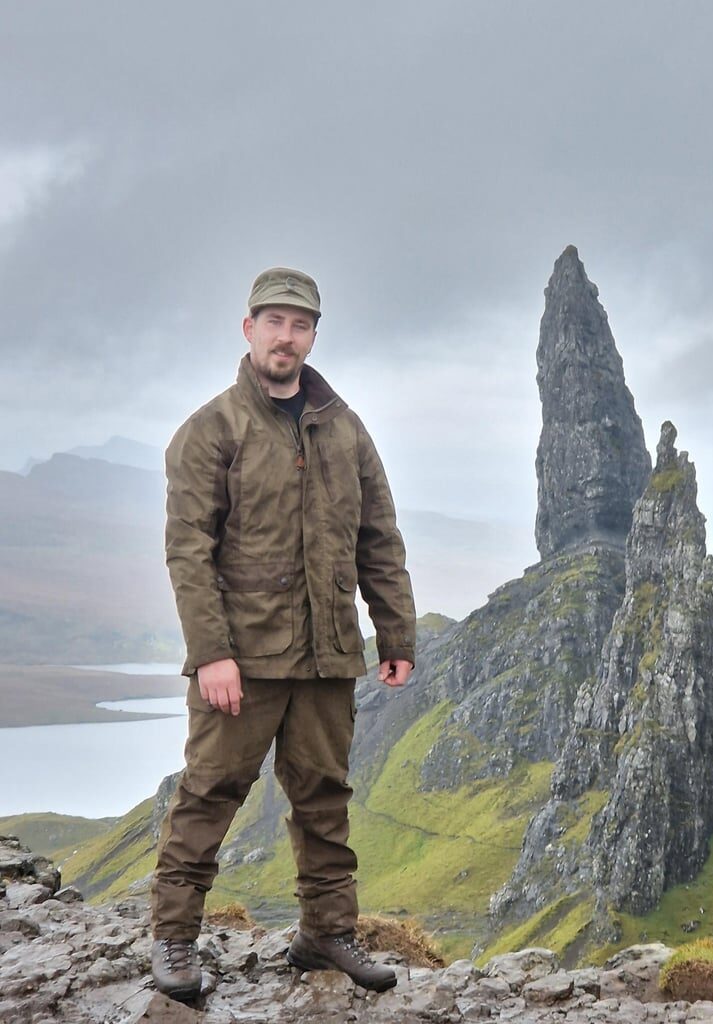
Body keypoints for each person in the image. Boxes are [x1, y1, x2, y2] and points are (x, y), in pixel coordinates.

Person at [150, 267, 416, 1000]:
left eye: (300, 325)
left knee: (325, 799)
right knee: (208, 795)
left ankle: (325, 934)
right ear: (249, 330)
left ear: (313, 336)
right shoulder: (211, 431)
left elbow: (378, 539)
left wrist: (395, 635)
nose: (286, 337)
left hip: (328, 656)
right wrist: (211, 654)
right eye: (274, 322)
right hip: (242, 661)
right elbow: (189, 553)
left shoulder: (347, 430)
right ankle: (173, 943)